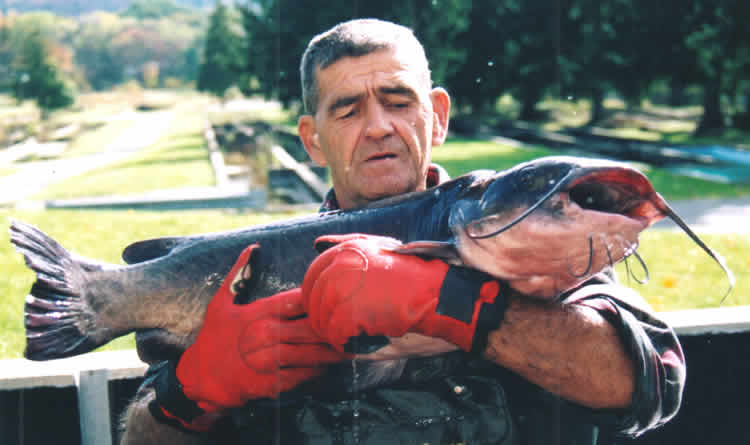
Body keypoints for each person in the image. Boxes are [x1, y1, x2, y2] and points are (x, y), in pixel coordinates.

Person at [120, 19, 685, 445]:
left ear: (436, 116)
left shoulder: (527, 239)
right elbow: (139, 436)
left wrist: (462, 308)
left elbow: (648, 386)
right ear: (312, 139)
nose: (379, 127)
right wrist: (189, 393)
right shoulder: (252, 269)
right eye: (347, 111)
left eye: (398, 101)